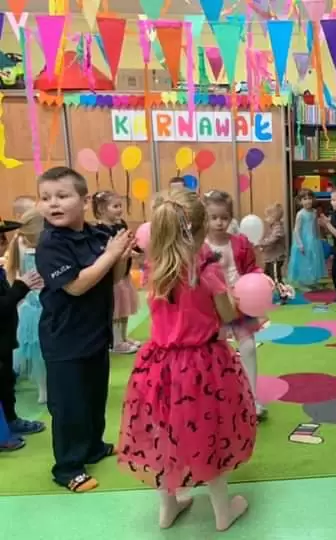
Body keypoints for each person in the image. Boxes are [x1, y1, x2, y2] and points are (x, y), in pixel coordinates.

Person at [118, 189, 256, 531]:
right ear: (201, 228)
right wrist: (239, 301)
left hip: (158, 367)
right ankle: (223, 513)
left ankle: (168, 508)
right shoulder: (207, 272)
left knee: (164, 435)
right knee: (211, 434)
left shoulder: (154, 269)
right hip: (204, 365)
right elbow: (228, 314)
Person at [35, 166, 134, 492]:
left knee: (94, 397)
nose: (53, 203)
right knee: (69, 406)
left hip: (94, 332)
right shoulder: (51, 243)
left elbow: (114, 277)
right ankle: (67, 468)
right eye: (46, 198)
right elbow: (76, 286)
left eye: (62, 196)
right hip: (64, 340)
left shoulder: (95, 235)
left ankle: (92, 446)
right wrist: (110, 254)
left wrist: (121, 254)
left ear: (84, 201)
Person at [203, 190, 267, 419]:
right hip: (214, 306)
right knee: (215, 353)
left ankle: (252, 398)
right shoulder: (200, 246)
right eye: (214, 217)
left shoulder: (240, 242)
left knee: (248, 347)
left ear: (231, 218)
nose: (219, 222)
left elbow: (252, 268)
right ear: (205, 218)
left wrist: (260, 280)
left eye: (224, 217)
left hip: (241, 303)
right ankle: (216, 400)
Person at [0, 217, 45, 452]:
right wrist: (21, 286)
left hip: (4, 338)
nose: (4, 242)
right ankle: (2, 434)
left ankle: (11, 420)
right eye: (0, 239)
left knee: (6, 381)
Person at [6, 209, 48, 403]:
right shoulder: (35, 250)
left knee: (37, 352)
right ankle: (44, 389)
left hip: (30, 306)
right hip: (38, 307)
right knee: (39, 352)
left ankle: (43, 389)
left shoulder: (19, 243)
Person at [92, 191, 140, 354]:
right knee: (116, 311)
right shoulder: (98, 231)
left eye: (120, 206)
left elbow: (129, 242)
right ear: (101, 209)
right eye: (115, 206)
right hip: (112, 275)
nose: (120, 209)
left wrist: (135, 249)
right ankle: (115, 341)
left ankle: (123, 337)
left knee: (124, 308)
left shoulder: (121, 225)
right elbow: (105, 251)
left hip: (124, 274)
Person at [288, 189, 326, 289]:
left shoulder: (314, 212)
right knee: (304, 261)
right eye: (305, 199)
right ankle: (303, 282)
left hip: (313, 240)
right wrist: (300, 244)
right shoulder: (300, 214)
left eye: (309, 198)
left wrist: (320, 237)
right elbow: (296, 230)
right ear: (300, 201)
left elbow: (316, 226)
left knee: (314, 260)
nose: (308, 201)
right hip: (303, 240)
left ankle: (313, 280)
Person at [258, 202, 291, 303]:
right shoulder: (272, 227)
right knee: (267, 277)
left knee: (276, 279)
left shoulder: (278, 228)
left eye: (267, 217)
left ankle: (284, 295)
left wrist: (261, 243)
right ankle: (267, 294)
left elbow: (273, 239)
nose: (265, 219)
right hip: (270, 258)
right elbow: (269, 239)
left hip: (275, 258)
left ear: (274, 218)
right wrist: (263, 246)